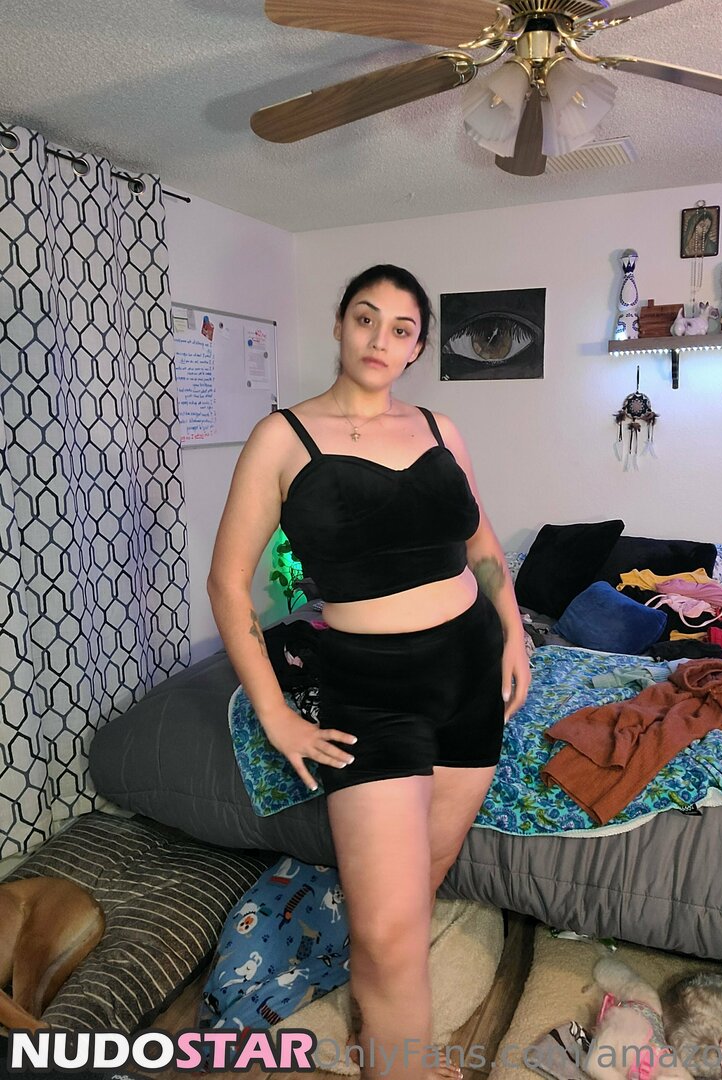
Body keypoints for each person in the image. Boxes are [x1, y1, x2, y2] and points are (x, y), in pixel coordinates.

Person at [207, 264, 530, 1080]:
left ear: (417, 347)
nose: (380, 338)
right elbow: (228, 583)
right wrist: (275, 713)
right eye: (365, 317)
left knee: (419, 887)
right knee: (386, 933)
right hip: (372, 688)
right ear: (340, 325)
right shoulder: (283, 437)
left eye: (401, 328)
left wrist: (515, 634)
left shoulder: (439, 428)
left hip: (468, 673)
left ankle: (382, 1032)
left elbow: (482, 544)